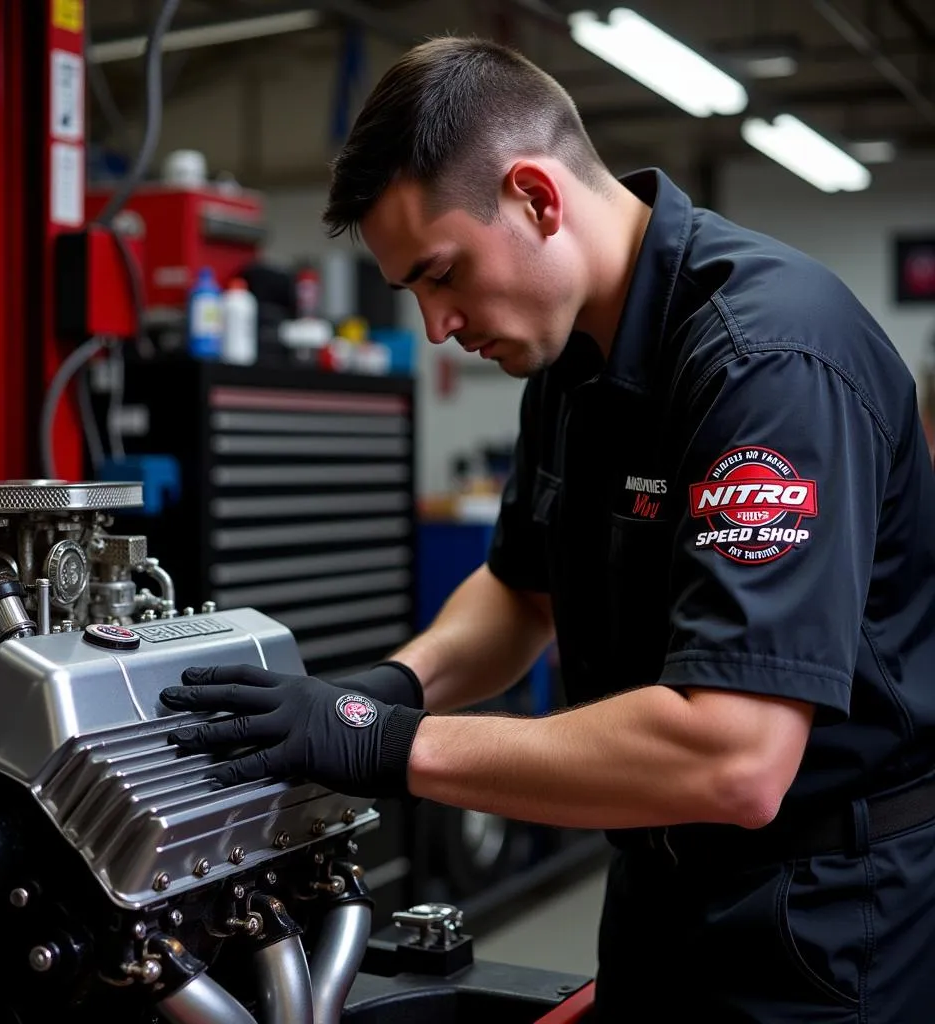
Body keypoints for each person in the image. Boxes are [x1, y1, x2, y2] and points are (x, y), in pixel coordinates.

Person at [159, 36, 935, 1022]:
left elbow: (733, 758)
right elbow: (523, 588)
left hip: (823, 924)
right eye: (414, 293)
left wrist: (386, 744)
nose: (437, 326)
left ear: (535, 196)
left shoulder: (768, 362)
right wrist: (395, 683)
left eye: (443, 275)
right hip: (660, 885)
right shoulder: (571, 360)